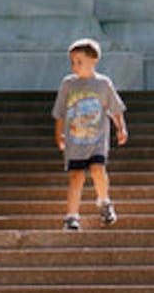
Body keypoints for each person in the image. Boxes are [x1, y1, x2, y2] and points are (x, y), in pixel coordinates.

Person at [52, 37, 128, 230]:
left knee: (97, 169)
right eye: (72, 62)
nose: (74, 66)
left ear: (93, 61)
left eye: (79, 61)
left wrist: (121, 127)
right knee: (76, 176)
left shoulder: (103, 84)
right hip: (75, 142)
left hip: (97, 140)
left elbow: (115, 108)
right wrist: (59, 134)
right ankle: (71, 216)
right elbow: (60, 111)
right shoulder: (68, 85)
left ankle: (104, 201)